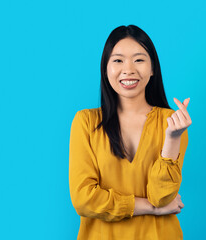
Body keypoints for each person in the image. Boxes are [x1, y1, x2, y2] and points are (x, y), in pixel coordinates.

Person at [69, 24, 192, 240]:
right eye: (118, 60)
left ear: (153, 68)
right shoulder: (86, 122)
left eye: (139, 59)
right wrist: (149, 208)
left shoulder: (171, 123)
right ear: (105, 69)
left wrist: (172, 138)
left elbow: (161, 197)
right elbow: (83, 199)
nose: (129, 69)